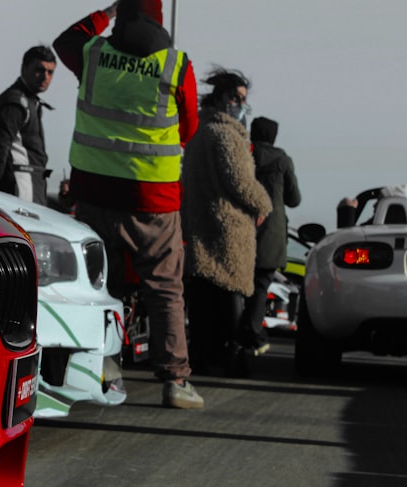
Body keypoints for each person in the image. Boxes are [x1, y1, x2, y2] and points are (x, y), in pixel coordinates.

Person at [53, 0, 203, 408]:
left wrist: (108, 13)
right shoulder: (175, 65)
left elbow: (63, 41)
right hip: (153, 198)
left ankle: (104, 368)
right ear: (157, 16)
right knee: (165, 289)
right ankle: (175, 381)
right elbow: (189, 126)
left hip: (96, 193)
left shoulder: (94, 54)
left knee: (104, 286)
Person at [181, 68, 272, 377]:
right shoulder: (228, 135)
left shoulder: (198, 133)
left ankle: (203, 357)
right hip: (228, 229)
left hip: (199, 225)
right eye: (236, 98)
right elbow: (241, 182)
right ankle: (231, 355)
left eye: (243, 99)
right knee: (230, 292)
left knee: (203, 298)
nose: (240, 105)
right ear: (221, 98)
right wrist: (264, 203)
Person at [238, 116, 301, 358]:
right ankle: (252, 333)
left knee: (235, 287)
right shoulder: (282, 160)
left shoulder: (243, 155)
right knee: (261, 286)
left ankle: (240, 333)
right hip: (271, 233)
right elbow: (294, 200)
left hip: (241, 227)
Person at [0, 45, 56, 205]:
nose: (45, 77)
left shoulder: (30, 102)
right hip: (19, 194)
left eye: (50, 72)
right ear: (24, 68)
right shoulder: (15, 103)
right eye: (39, 69)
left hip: (30, 190)